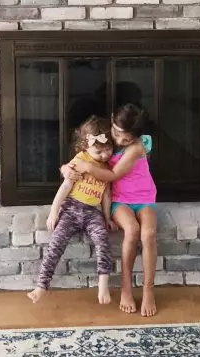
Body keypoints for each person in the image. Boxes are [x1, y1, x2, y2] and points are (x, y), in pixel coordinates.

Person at [63, 103, 158, 318]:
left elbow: (113, 175)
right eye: (117, 134)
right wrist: (66, 168)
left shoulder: (136, 148)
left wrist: (88, 168)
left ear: (137, 137)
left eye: (127, 139)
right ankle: (126, 288)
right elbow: (81, 155)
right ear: (113, 121)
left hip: (144, 198)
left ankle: (148, 290)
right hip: (120, 200)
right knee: (132, 230)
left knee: (149, 233)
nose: (119, 141)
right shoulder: (107, 138)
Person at [27, 116, 116, 306]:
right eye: (98, 151)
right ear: (85, 147)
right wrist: (54, 212)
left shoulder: (108, 168)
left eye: (108, 149)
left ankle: (103, 285)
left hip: (93, 212)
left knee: (103, 242)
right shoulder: (79, 162)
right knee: (56, 245)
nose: (104, 155)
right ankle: (41, 286)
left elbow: (107, 195)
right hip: (70, 209)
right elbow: (65, 188)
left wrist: (107, 218)